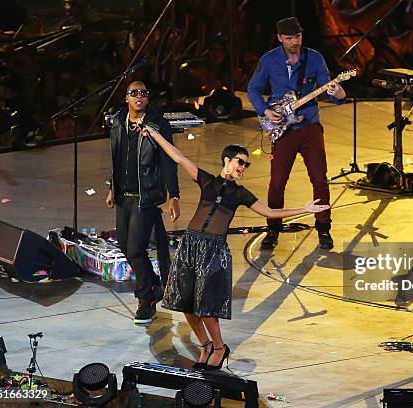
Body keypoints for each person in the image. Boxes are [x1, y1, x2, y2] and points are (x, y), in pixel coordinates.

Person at [142, 125, 329, 370]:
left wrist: (305, 209)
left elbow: (271, 212)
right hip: (190, 244)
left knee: (206, 306)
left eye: (246, 165)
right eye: (240, 162)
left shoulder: (240, 194)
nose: (243, 167)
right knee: (185, 304)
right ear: (227, 160)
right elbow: (178, 157)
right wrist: (156, 136)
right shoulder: (206, 181)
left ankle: (219, 348)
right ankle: (205, 345)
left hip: (213, 250)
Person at [247, 16, 347, 250]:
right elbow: (253, 88)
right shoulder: (269, 60)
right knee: (277, 183)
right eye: (289, 38)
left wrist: (339, 92)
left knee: (320, 180)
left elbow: (330, 90)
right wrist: (264, 110)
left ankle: (324, 229)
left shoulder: (315, 58)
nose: (295, 42)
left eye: (298, 36)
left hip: (310, 128)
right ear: (280, 37)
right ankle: (273, 230)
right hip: (284, 131)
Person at [105, 81, 180, 325]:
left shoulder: (157, 125)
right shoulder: (118, 123)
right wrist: (112, 188)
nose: (139, 96)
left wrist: (174, 195)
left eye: (144, 93)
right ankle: (153, 284)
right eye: (134, 93)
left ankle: (145, 301)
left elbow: (169, 161)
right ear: (126, 98)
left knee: (136, 249)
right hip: (123, 197)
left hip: (145, 197)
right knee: (126, 248)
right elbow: (116, 159)